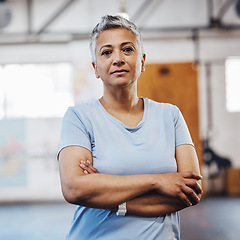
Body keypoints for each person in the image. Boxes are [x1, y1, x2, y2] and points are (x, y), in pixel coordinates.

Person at [58, 15, 203, 240]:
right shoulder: (79, 117)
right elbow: (74, 188)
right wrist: (159, 180)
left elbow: (190, 191)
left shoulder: (170, 115)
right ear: (96, 68)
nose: (117, 58)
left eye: (127, 49)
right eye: (107, 52)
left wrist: (107, 194)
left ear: (142, 61)